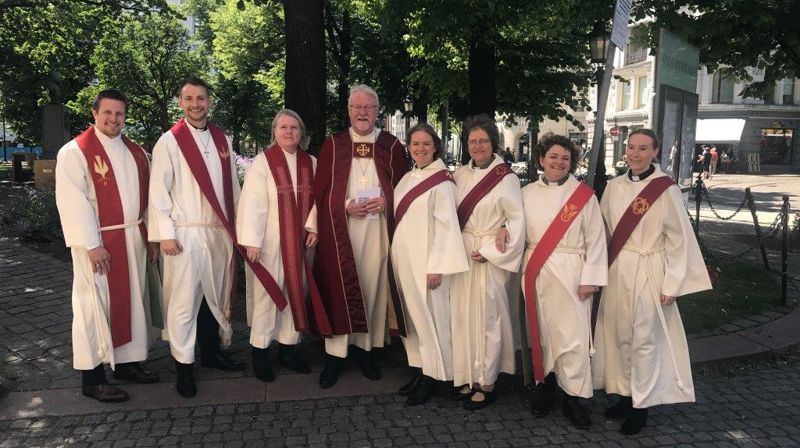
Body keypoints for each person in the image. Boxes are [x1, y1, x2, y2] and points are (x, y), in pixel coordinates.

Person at [593, 128, 712, 435]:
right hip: (619, 269)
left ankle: (641, 406)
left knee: (644, 339)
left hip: (649, 268)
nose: (635, 154)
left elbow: (679, 240)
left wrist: (672, 284)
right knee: (618, 335)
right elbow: (602, 231)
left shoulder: (665, 189)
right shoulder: (614, 186)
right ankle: (623, 394)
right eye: (631, 147)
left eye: (643, 148)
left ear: (655, 152)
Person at [55, 89, 160, 402]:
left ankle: (128, 365)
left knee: (132, 303)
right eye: (108, 113)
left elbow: (148, 201)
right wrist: (91, 243)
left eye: (119, 114)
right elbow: (72, 202)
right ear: (95, 113)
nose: (114, 119)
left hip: (132, 238)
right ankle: (93, 378)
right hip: (99, 243)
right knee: (93, 308)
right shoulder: (75, 152)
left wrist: (151, 237)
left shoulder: (136, 152)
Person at [148, 77, 245, 398]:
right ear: (180, 103)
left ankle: (212, 352)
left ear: (209, 101)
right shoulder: (169, 141)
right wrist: (164, 234)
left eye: (201, 98)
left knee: (213, 296)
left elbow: (233, 187)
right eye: (189, 99)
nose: (195, 104)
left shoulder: (222, 140)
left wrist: (239, 230)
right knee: (184, 302)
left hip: (217, 233)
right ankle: (184, 367)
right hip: (184, 235)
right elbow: (158, 191)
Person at [313, 84, 408, 388]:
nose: (363, 113)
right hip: (343, 231)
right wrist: (344, 206)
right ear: (349, 111)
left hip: (378, 232)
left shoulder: (391, 146)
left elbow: (406, 191)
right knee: (339, 286)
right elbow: (321, 191)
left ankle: (368, 352)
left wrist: (387, 200)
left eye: (369, 108)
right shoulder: (334, 144)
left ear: (378, 112)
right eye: (357, 108)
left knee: (372, 287)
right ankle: (335, 357)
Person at [520, 134, 607, 429]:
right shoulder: (526, 193)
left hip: (572, 272)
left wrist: (590, 279)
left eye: (565, 158)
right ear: (541, 159)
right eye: (553, 156)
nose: (559, 162)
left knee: (574, 338)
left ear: (572, 163)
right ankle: (546, 386)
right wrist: (503, 233)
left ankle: (574, 396)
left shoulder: (584, 196)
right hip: (536, 271)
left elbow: (596, 240)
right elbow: (513, 226)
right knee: (542, 334)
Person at [236, 109, 330, 382]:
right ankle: (260, 352)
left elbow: (319, 200)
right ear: (274, 131)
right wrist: (251, 241)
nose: (289, 132)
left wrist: (314, 226)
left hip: (300, 242)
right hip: (269, 242)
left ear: (301, 133)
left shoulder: (310, 162)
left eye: (294, 128)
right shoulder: (263, 162)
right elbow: (252, 203)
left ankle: (289, 348)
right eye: (283, 127)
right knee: (269, 295)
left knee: (295, 292)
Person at [450, 114, 525, 410]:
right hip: (464, 252)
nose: (478, 146)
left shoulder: (506, 176)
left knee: (488, 318)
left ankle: (489, 379)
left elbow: (517, 219)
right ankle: (468, 374)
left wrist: (492, 250)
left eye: (483, 140)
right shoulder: (460, 175)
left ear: (492, 143)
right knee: (464, 316)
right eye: (472, 141)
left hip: (491, 254)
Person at [391, 123, 469, 406]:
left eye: (426, 143)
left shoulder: (442, 181)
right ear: (408, 146)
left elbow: (448, 227)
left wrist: (438, 266)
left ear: (435, 146)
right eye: (415, 143)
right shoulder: (409, 177)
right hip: (405, 260)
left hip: (427, 264)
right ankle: (420, 369)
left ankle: (434, 377)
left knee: (432, 320)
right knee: (413, 319)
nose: (420, 149)